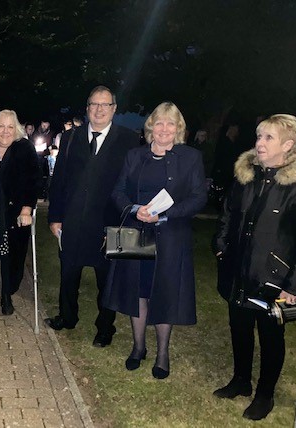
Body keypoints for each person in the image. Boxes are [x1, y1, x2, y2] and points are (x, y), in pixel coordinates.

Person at [212, 114, 296, 420]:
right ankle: (241, 380)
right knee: (240, 326)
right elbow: (228, 214)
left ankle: (265, 395)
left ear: (288, 144)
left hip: (274, 277)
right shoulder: (247, 175)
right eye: (258, 136)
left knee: (271, 336)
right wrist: (221, 247)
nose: (259, 143)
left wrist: (294, 286)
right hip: (239, 268)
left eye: (268, 138)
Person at [102, 102, 208, 379]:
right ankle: (138, 347)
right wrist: (136, 210)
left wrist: (165, 214)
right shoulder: (134, 156)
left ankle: (162, 353)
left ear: (179, 129)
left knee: (164, 291)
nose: (164, 129)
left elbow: (199, 197)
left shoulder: (191, 157)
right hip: (137, 231)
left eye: (170, 124)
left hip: (170, 235)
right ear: (151, 126)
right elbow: (118, 191)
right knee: (137, 290)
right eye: (159, 123)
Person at [46, 85, 140, 347]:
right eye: (94, 104)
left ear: (114, 109)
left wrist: (125, 224)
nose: (99, 109)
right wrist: (54, 217)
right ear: (87, 108)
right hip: (73, 220)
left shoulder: (129, 140)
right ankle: (67, 317)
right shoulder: (70, 138)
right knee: (68, 274)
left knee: (107, 280)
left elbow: (131, 185)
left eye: (105, 105)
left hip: (108, 223)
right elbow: (59, 181)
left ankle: (105, 328)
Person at [0, 109, 41, 316]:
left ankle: (6, 294)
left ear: (17, 130)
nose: (5, 131)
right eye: (1, 126)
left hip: (12, 213)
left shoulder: (24, 149)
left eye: (10, 127)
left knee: (9, 256)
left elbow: (33, 181)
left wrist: (26, 208)